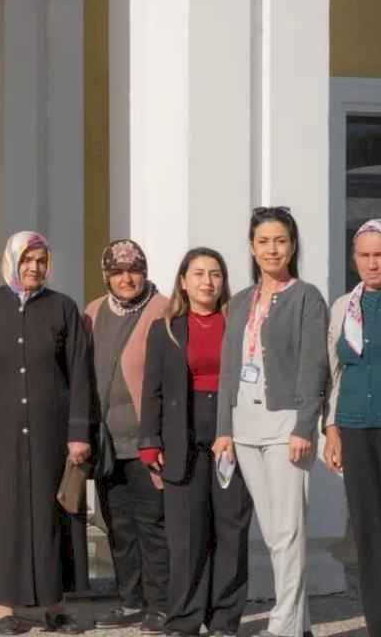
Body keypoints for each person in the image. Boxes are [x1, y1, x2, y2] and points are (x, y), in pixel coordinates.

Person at [0, 231, 91, 636]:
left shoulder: (63, 308)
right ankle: (4, 609)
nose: (33, 267)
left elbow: (80, 375)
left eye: (40, 260)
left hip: (51, 433)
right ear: (11, 261)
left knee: (52, 514)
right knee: (4, 514)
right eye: (26, 260)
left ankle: (57, 606)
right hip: (0, 433)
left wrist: (79, 433)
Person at [214, 206, 327, 637]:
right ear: (251, 247)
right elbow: (229, 368)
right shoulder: (240, 300)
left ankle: (283, 626)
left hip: (285, 427)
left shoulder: (306, 297)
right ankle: (300, 625)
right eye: (263, 242)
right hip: (244, 428)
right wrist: (224, 428)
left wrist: (304, 426)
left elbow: (312, 365)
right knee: (273, 529)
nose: (272, 249)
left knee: (288, 531)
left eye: (280, 240)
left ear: (293, 245)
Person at [139, 248, 251, 637]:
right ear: (183, 281)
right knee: (185, 534)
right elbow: (151, 389)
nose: (208, 281)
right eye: (199, 273)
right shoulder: (165, 328)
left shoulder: (240, 324)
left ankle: (223, 619)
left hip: (231, 435)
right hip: (180, 436)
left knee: (231, 530)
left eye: (216, 273)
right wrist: (149, 442)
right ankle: (184, 617)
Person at [83, 239, 172, 633]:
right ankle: (130, 599)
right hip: (107, 442)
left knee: (152, 523)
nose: (126, 278)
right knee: (117, 524)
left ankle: (160, 603)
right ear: (106, 275)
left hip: (148, 440)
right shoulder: (93, 312)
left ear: (145, 270)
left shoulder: (164, 308)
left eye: (133, 269)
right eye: (117, 271)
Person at [323, 219, 381, 637]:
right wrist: (331, 428)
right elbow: (335, 373)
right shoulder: (342, 307)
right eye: (364, 256)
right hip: (354, 427)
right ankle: (380, 626)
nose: (372, 264)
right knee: (368, 532)